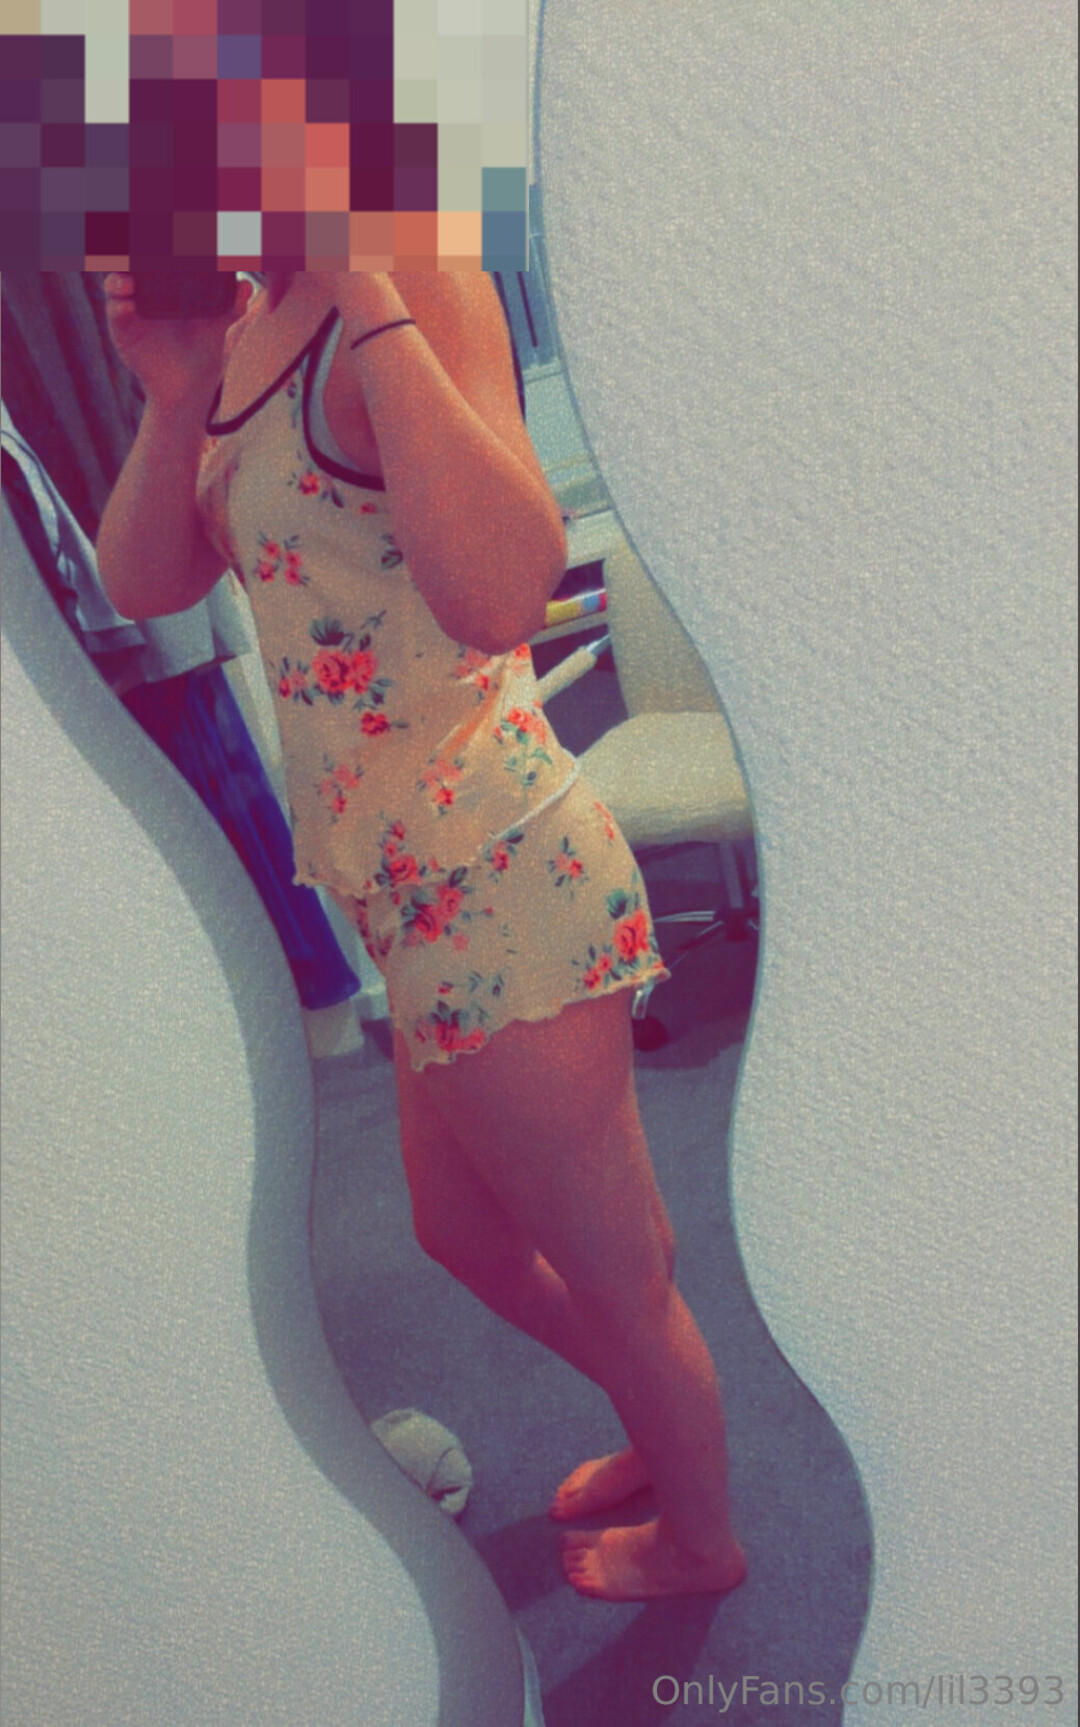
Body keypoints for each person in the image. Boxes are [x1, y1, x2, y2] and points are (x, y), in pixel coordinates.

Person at [97, 269, 746, 1603]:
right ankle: (660, 1418)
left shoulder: (416, 281)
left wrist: (369, 289)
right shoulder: (238, 324)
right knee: (465, 1232)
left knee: (617, 1266)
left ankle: (703, 1542)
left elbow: (503, 593)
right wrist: (175, 394)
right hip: (404, 894)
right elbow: (145, 583)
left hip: (498, 868)